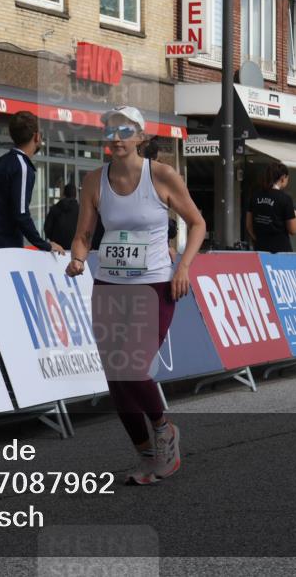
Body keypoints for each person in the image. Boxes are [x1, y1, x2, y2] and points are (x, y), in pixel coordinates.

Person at [66, 105, 206, 486]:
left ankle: (165, 430)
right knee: (115, 376)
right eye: (110, 131)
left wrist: (184, 267)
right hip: (109, 285)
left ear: (140, 137)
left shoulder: (161, 176)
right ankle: (146, 454)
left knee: (132, 366)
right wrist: (77, 259)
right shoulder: (95, 181)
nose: (115, 137)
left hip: (155, 284)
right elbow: (83, 235)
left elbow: (197, 223)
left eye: (124, 130)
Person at [0, 112, 65, 254]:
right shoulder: (22, 166)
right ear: (36, 136)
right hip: (5, 250)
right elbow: (21, 214)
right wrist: (44, 245)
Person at [246, 163, 296, 253]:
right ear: (283, 178)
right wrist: (294, 216)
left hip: (260, 249)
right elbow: (293, 230)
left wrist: (260, 240)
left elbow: (249, 225)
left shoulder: (255, 196)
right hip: (281, 250)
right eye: (287, 178)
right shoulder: (285, 199)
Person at [43, 182, 79, 250]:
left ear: (63, 194)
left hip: (57, 249)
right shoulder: (80, 210)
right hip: (76, 249)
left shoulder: (55, 209)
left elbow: (47, 228)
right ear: (75, 195)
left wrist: (54, 239)